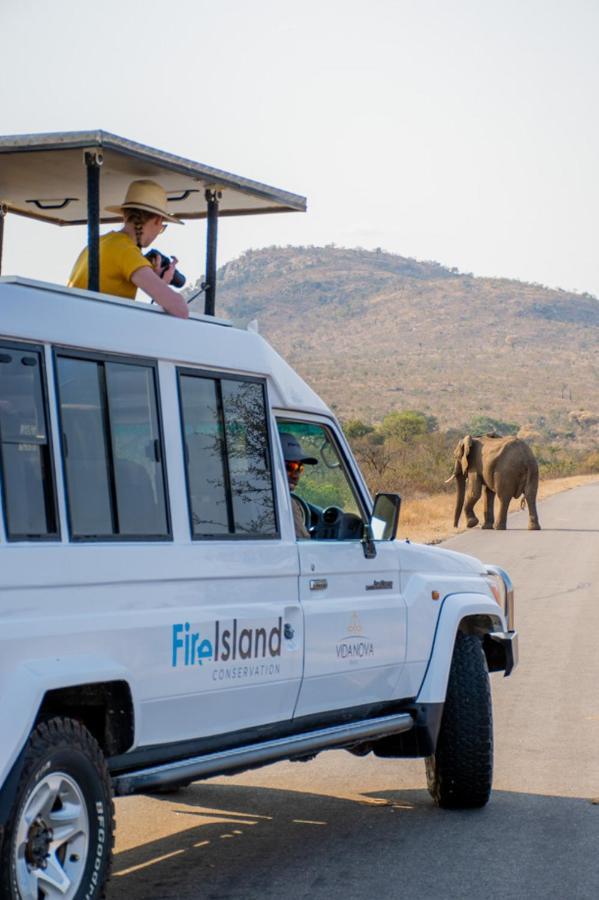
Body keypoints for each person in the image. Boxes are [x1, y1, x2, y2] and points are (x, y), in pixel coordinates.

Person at [68, 179, 189, 319]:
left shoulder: (99, 242)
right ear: (157, 220)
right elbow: (180, 309)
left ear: (125, 215)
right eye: (162, 227)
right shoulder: (127, 251)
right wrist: (163, 284)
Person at [279, 432, 317, 539]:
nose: (296, 475)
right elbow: (303, 544)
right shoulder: (285, 504)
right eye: (290, 467)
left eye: (300, 467)